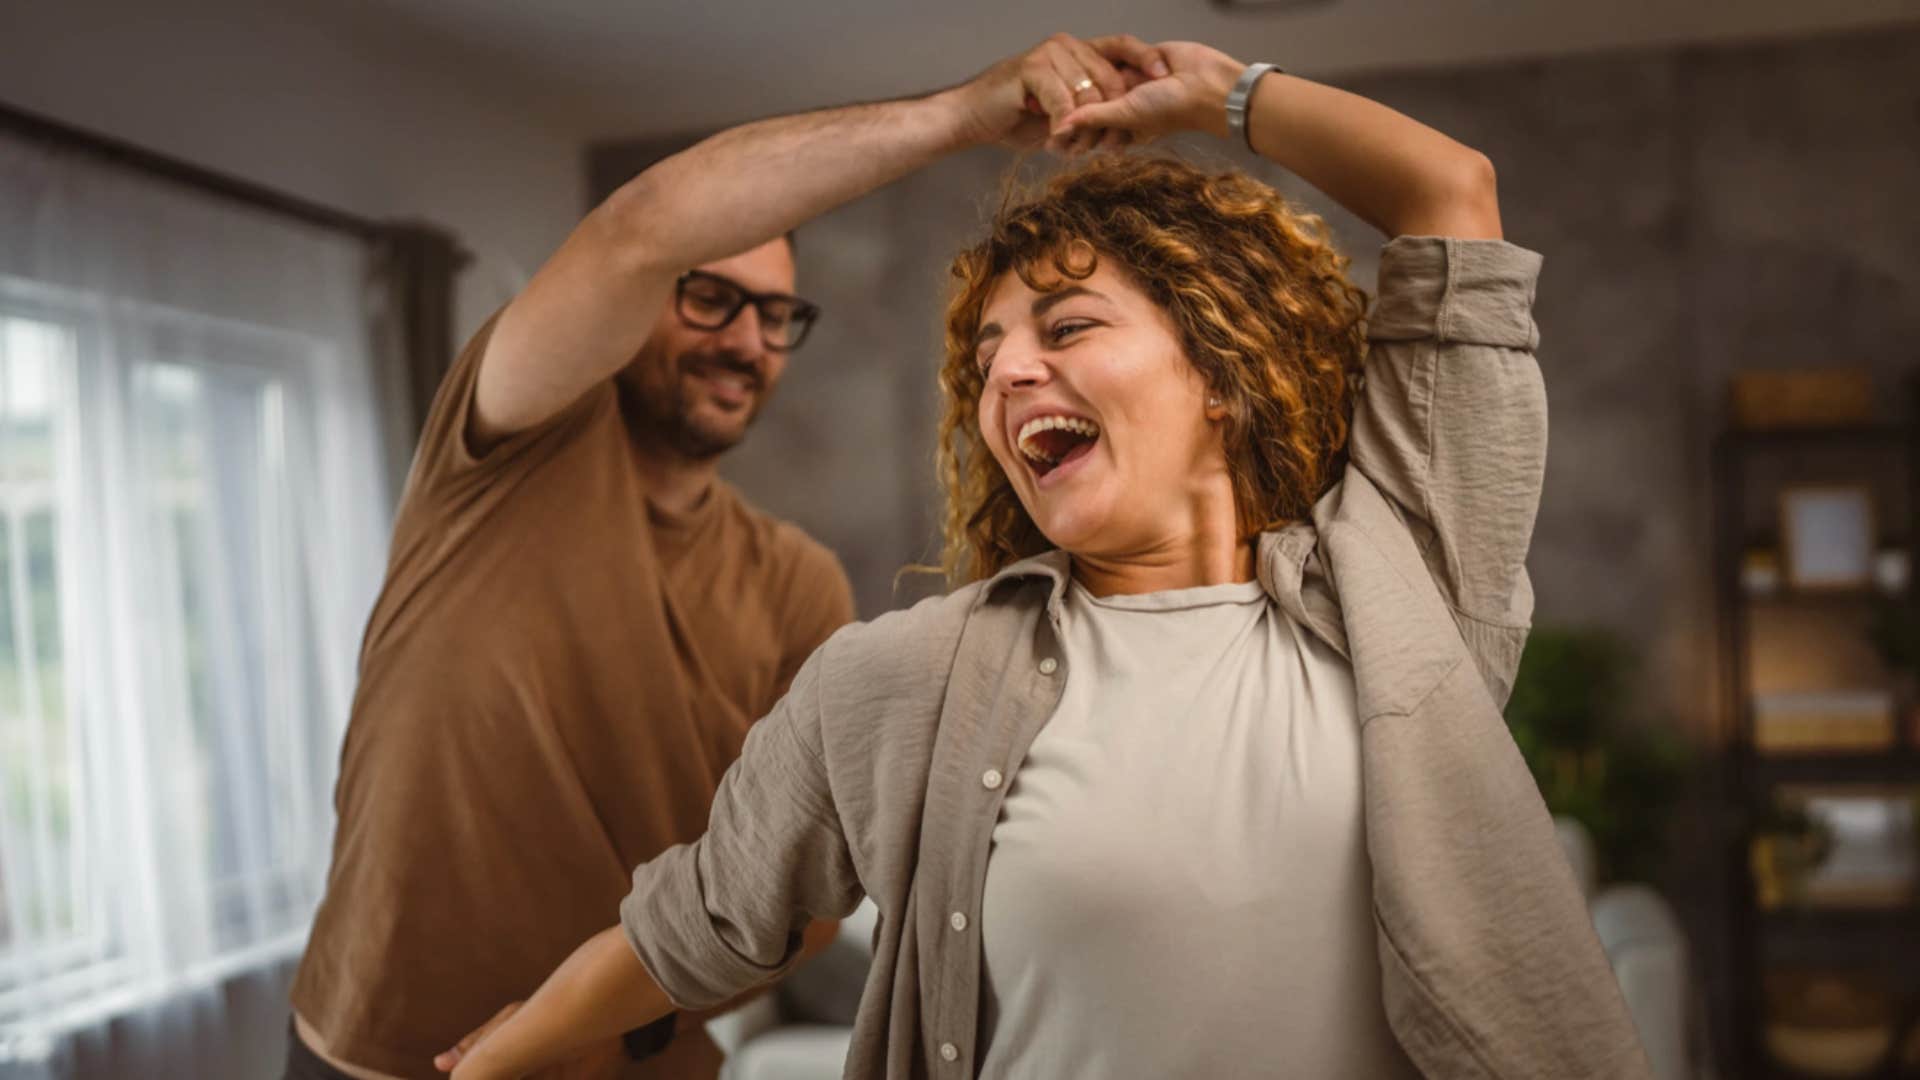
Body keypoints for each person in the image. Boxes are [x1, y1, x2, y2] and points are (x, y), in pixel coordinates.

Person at [433, 31, 1654, 1080]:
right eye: (987, 360)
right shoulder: (901, 679)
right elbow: (697, 919)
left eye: (1068, 327)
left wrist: (1219, 91)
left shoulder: (1405, 579)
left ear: (1224, 374)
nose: (1008, 372)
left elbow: (1452, 194)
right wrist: (495, 1055)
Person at [285, 95, 861, 1080]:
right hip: (372, 1057)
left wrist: (614, 1023)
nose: (746, 341)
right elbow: (635, 230)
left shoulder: (798, 582)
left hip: (633, 1065)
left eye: (775, 314)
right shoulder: (505, 449)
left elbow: (809, 892)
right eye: (710, 296)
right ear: (643, 297)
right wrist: (971, 111)